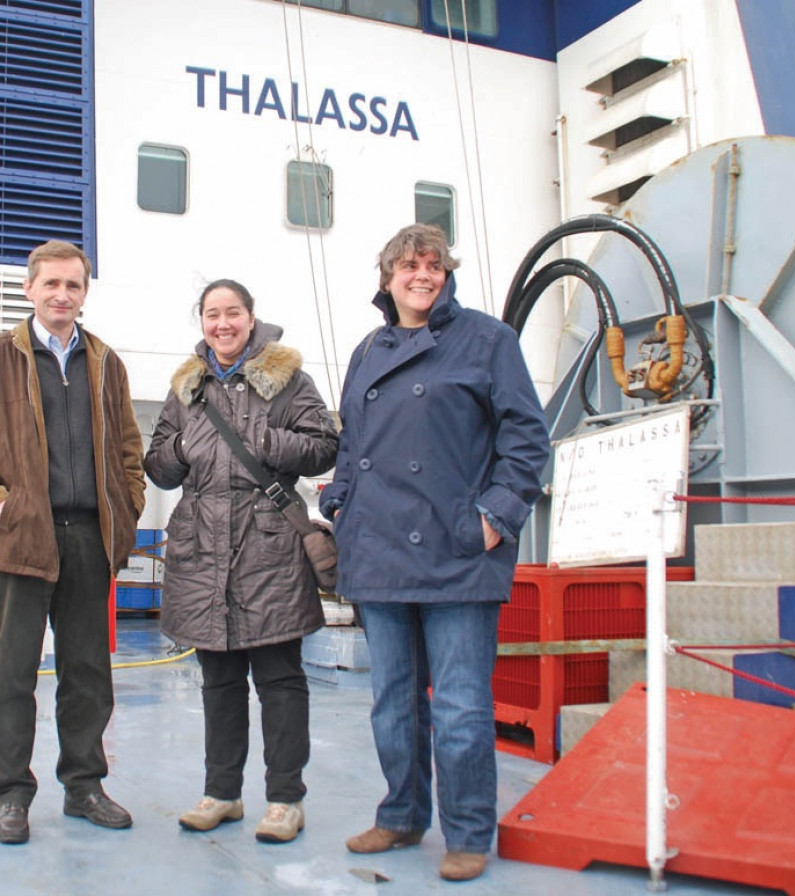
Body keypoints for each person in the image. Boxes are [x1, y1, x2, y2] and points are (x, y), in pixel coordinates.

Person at [319, 224, 550, 882]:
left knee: (459, 704)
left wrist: (495, 517)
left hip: (457, 549)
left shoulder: (487, 340)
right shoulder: (370, 349)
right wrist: (340, 499)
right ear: (387, 276)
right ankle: (400, 816)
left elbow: (527, 438)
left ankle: (470, 830)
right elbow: (352, 442)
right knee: (392, 701)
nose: (422, 276)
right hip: (379, 549)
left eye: (434, 266)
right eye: (409, 266)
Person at [0, 239, 146, 845]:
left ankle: (84, 787)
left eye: (73, 285)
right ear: (30, 289)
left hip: (89, 539)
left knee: (88, 672)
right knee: (13, 676)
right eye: (50, 284)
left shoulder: (106, 363)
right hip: (24, 537)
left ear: (84, 293)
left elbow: (128, 449)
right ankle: (11, 795)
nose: (62, 295)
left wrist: (127, 508)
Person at [144, 279, 339, 844]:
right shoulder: (186, 388)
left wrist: (264, 441)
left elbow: (324, 444)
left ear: (251, 319)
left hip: (269, 544)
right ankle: (222, 792)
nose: (223, 324)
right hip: (203, 547)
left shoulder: (288, 378)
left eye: (233, 313)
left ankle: (285, 799)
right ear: (201, 322)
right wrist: (184, 448)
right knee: (219, 678)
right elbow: (159, 467)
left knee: (279, 677)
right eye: (212, 314)